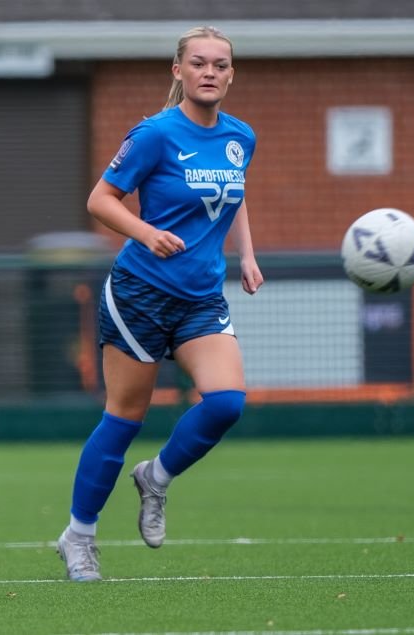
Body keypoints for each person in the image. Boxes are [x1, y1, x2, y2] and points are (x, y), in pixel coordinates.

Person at [56, 25, 264, 582]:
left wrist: (245, 254)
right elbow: (100, 199)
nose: (210, 72)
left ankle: (158, 478)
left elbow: (233, 192)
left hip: (200, 298)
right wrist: (145, 233)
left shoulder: (240, 135)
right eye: (199, 63)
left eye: (220, 65)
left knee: (226, 403)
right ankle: (79, 536)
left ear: (231, 74)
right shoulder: (154, 134)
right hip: (140, 295)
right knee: (124, 419)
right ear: (178, 71)